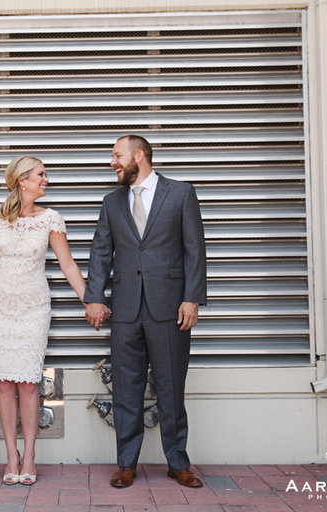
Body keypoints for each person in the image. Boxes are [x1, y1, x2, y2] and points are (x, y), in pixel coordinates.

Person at [84, 135, 207, 489]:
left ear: (140, 155)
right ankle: (126, 464)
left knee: (171, 387)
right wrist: (94, 297)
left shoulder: (181, 193)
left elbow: (194, 250)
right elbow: (100, 253)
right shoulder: (111, 203)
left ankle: (178, 463)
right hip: (123, 309)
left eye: (117, 156)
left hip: (170, 307)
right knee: (125, 388)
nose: (113, 163)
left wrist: (191, 298)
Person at [0, 155, 92, 486]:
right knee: (4, 383)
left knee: (27, 381)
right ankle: (12, 456)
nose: (46, 179)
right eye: (41, 174)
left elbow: (67, 265)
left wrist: (89, 299)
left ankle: (31, 455)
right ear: (22, 180)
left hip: (33, 308)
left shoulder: (50, 219)